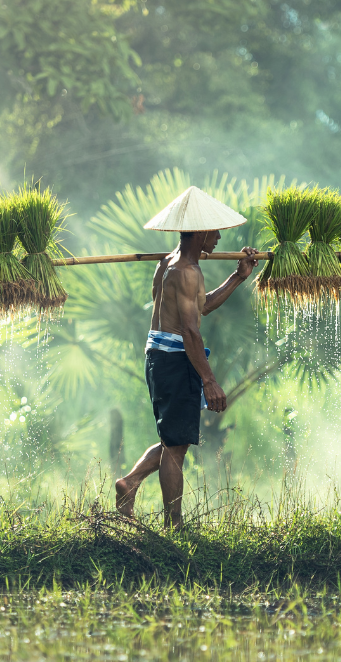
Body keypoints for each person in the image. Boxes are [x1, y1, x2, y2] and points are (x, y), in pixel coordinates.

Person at [114, 186, 258, 528]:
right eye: (214, 230)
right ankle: (174, 525)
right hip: (175, 359)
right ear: (200, 232)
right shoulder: (188, 271)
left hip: (158, 355)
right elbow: (191, 331)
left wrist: (238, 277)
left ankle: (129, 483)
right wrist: (209, 380)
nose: (219, 237)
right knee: (176, 447)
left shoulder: (168, 264)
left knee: (172, 440)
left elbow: (201, 306)